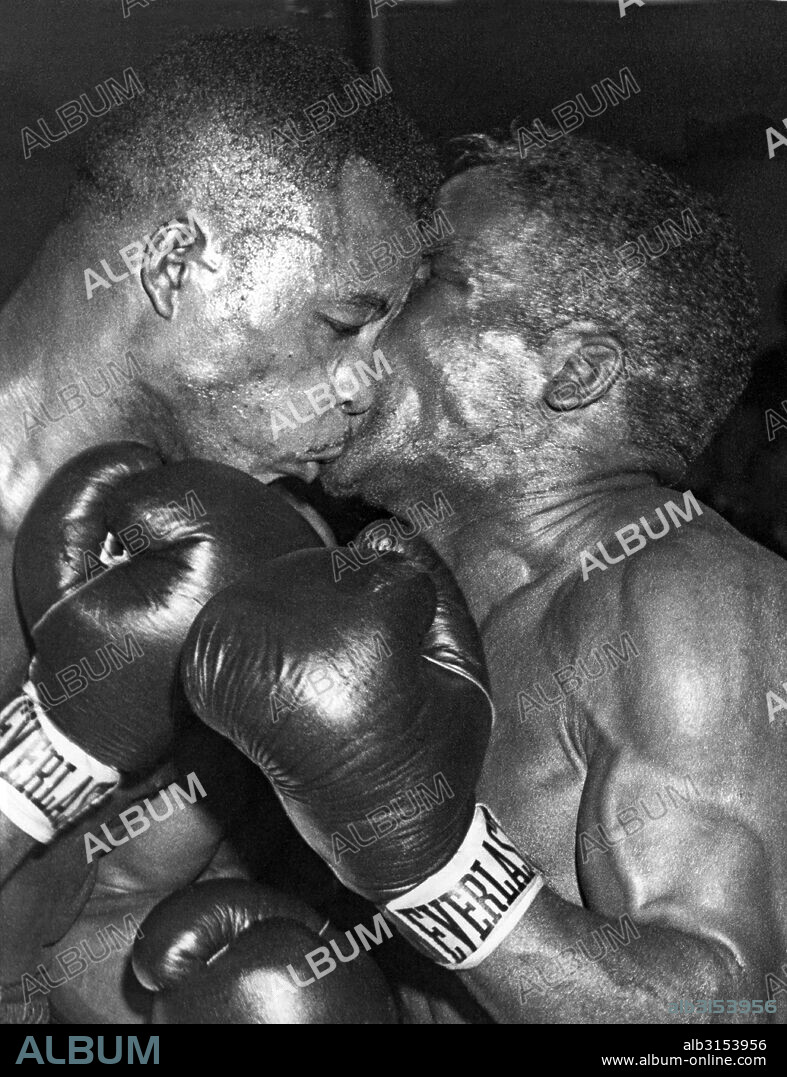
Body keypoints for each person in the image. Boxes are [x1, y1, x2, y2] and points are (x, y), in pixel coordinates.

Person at [184, 135, 787, 1023]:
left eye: (423, 278)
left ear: (574, 371)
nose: (364, 313)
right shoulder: (374, 601)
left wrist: (436, 867)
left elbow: (731, 1021)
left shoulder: (686, 597)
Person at [0, 26, 438, 1022]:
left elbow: (66, 936)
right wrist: (49, 758)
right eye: (339, 325)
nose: (363, 388)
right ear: (169, 261)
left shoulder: (233, 566)